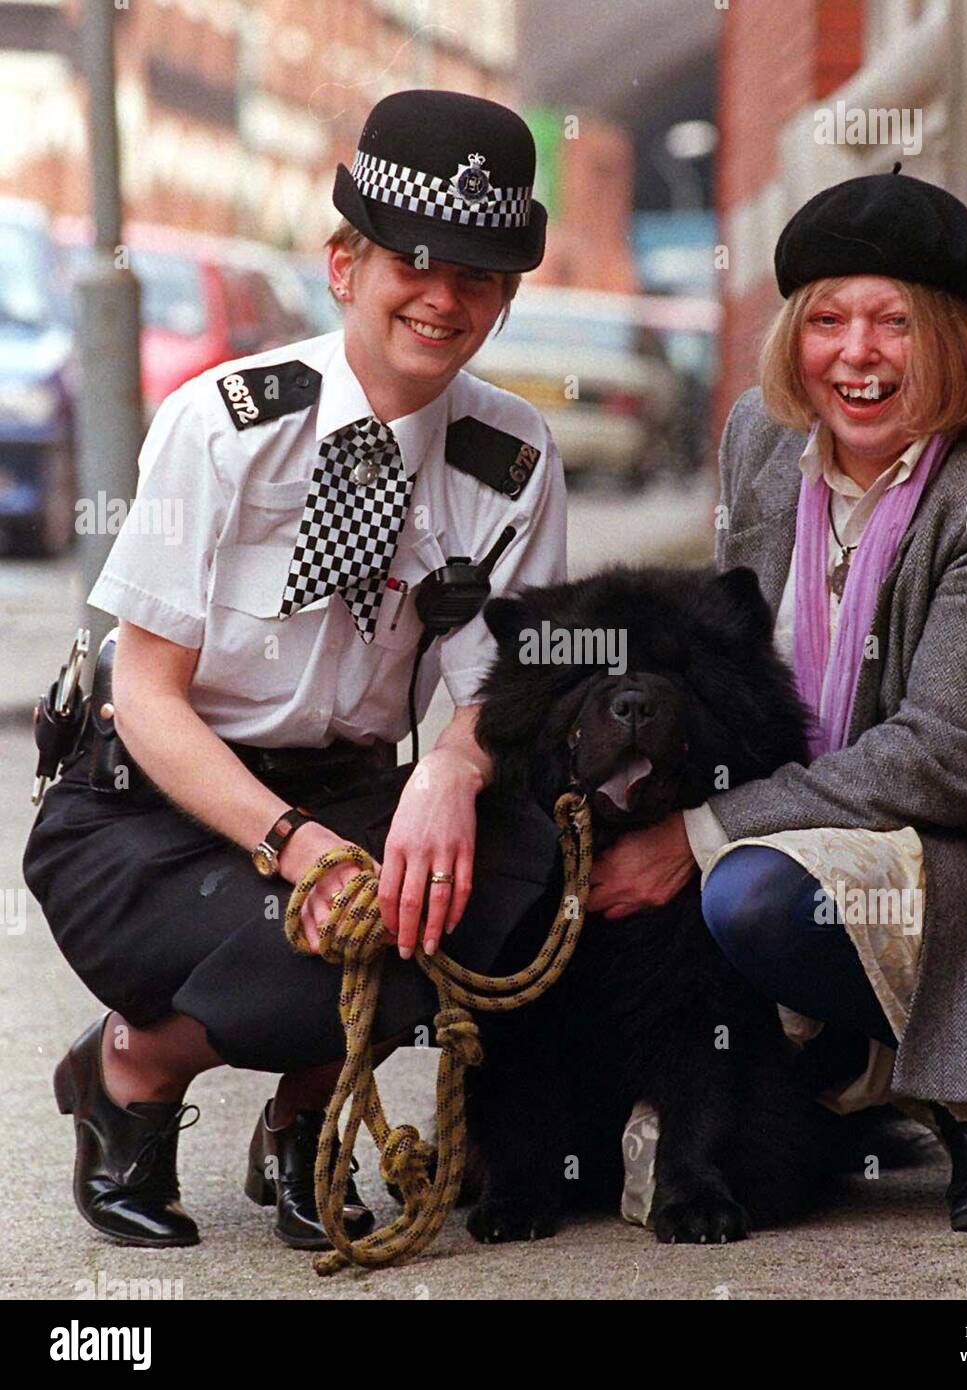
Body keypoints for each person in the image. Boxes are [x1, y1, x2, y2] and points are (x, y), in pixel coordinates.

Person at [23, 88, 567, 1250]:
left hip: (355, 783)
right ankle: (128, 1071)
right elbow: (148, 696)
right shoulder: (222, 423)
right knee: (319, 932)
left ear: (505, 299)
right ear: (342, 265)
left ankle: (306, 1131)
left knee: (509, 869)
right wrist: (296, 845)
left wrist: (450, 774)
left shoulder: (512, 455)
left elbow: (498, 689)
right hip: (155, 806)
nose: (443, 297)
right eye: (413, 262)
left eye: (478, 277)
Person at [594, 168, 967, 1232]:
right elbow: (728, 658)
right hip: (826, 815)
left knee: (746, 894)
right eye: (827, 319)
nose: (856, 354)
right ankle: (849, 1063)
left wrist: (696, 832)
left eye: (895, 322)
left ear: (951, 337)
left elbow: (945, 756)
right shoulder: (760, 437)